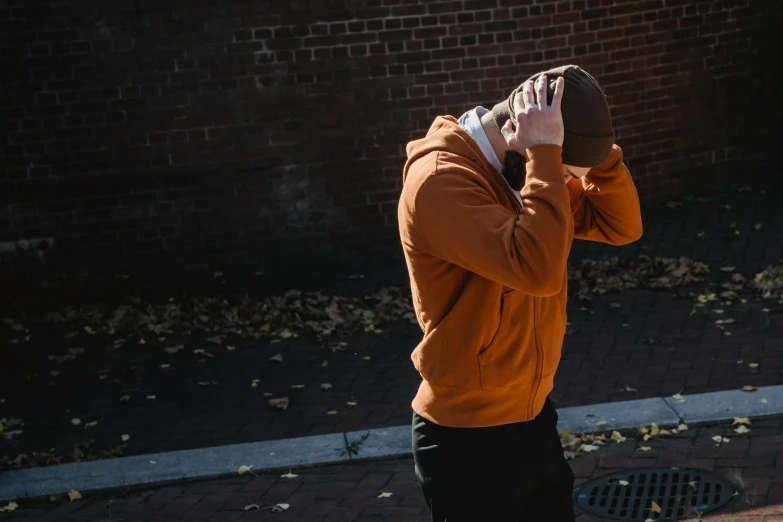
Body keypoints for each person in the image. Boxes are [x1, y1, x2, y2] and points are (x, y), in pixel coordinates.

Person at [397, 64, 643, 521]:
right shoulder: (439, 182)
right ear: (520, 133)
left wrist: (600, 155)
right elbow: (538, 270)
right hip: (467, 437)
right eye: (567, 172)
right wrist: (548, 157)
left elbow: (622, 226)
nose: (566, 182)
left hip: (532, 416)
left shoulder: (529, 171)